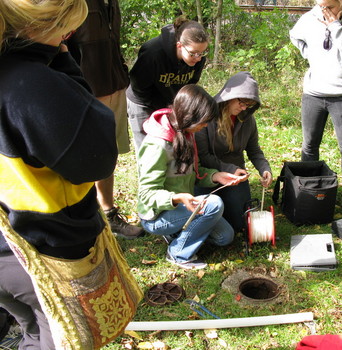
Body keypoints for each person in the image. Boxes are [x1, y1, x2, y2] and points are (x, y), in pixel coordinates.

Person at [0, 0, 118, 347]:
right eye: (68, 27)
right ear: (43, 24)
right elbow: (97, 158)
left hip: (5, 247)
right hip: (37, 252)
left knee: (30, 329)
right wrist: (64, 60)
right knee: (57, 340)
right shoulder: (33, 85)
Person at [137, 84, 246, 270]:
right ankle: (178, 253)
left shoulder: (186, 133)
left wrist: (216, 176)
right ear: (189, 116)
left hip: (182, 206)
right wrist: (176, 198)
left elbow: (193, 173)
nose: (204, 126)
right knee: (214, 204)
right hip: (156, 216)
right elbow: (147, 194)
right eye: (203, 122)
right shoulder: (157, 145)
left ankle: (177, 231)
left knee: (225, 237)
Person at [66, 0, 144, 239]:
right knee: (81, 157)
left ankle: (109, 215)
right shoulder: (73, 3)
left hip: (115, 84)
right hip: (85, 91)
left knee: (108, 155)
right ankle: (80, 221)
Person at [289, 0, 342, 215]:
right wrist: (309, 53)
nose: (323, 11)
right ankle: (307, 193)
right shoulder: (310, 17)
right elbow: (295, 35)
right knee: (309, 146)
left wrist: (335, 27)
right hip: (313, 94)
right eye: (320, 5)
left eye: (329, 7)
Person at [195, 71, 273, 232]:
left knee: (239, 224)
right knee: (208, 214)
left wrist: (264, 169)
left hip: (236, 176)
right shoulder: (207, 116)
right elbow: (203, 156)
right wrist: (229, 169)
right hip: (208, 172)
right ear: (230, 95)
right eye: (242, 102)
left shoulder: (247, 119)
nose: (244, 107)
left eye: (249, 105)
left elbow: (254, 150)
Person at [126, 16, 209, 150]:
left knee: (171, 147)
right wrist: (161, 113)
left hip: (170, 102)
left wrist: (176, 107)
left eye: (201, 53)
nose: (198, 58)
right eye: (193, 53)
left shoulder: (197, 57)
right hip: (143, 101)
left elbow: (191, 84)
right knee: (149, 149)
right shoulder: (152, 53)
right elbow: (138, 87)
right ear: (179, 46)